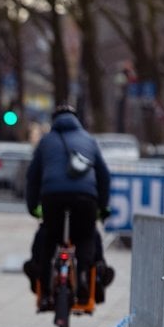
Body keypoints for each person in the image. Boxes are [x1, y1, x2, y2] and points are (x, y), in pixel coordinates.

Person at [23, 103, 113, 305]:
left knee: (50, 237)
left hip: (52, 198)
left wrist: (32, 206)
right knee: (85, 235)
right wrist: (103, 206)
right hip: (85, 198)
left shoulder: (46, 142)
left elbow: (32, 177)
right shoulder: (89, 140)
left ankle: (45, 290)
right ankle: (82, 275)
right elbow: (104, 176)